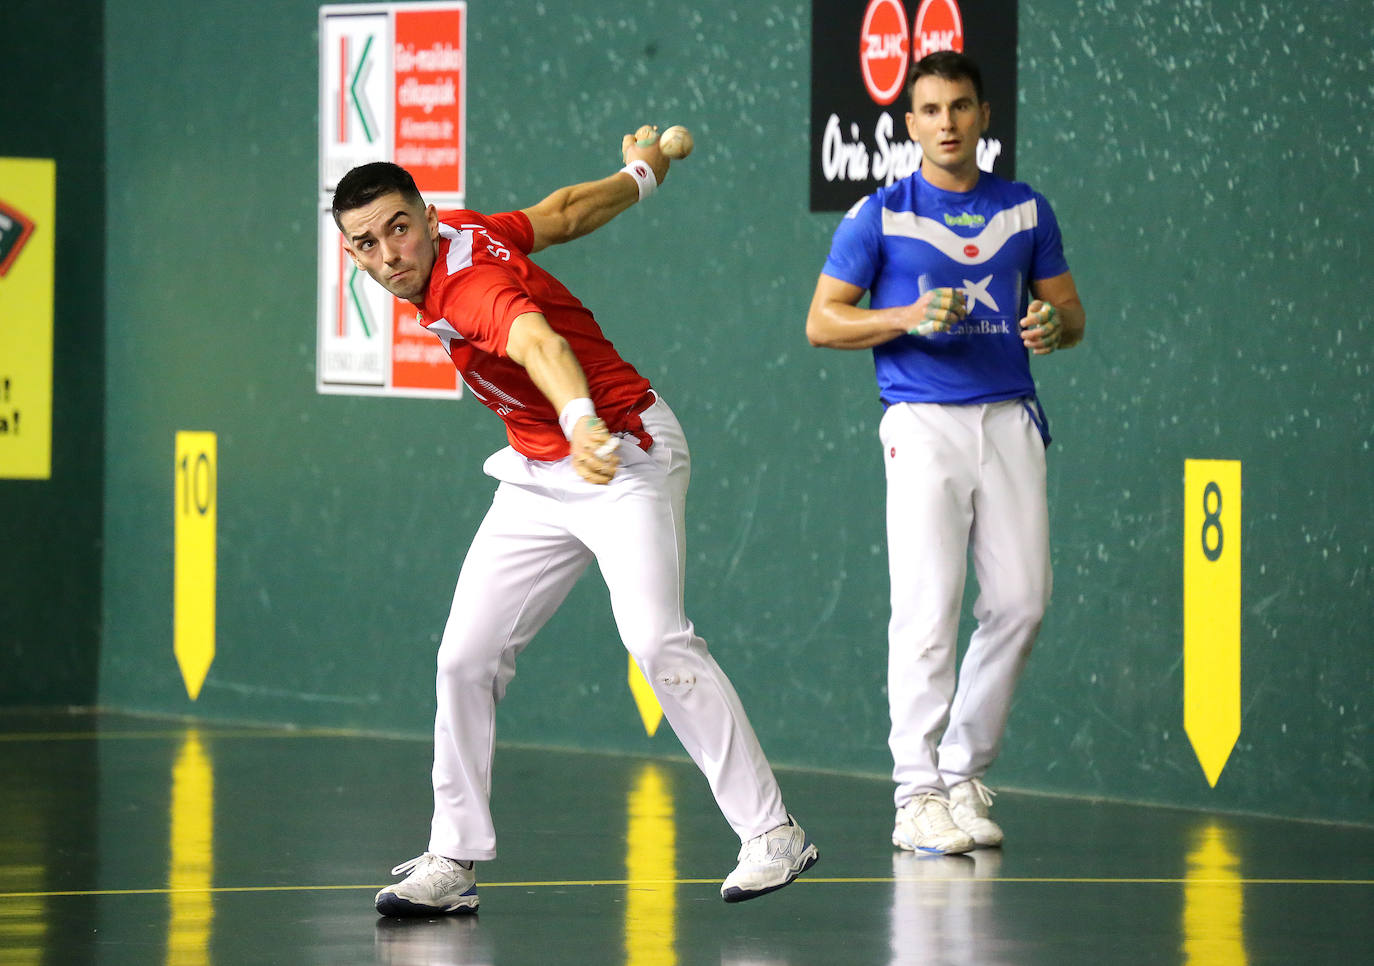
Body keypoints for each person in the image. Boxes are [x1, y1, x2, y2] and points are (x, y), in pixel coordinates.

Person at [331, 130, 817, 915]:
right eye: (366, 242)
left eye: (397, 228)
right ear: (352, 255)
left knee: (657, 638)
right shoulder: (458, 227)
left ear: (422, 215)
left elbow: (536, 340)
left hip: (623, 451)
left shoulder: (466, 287)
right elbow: (559, 214)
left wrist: (582, 416)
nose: (390, 252)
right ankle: (453, 860)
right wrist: (642, 174)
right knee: (464, 658)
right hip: (539, 471)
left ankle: (773, 832)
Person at [805, 52, 1086, 855]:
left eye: (961, 107)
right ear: (910, 125)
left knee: (1023, 602)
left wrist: (1052, 327)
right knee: (928, 610)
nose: (948, 123)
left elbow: (1070, 312)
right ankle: (915, 792)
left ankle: (961, 770)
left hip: (1009, 419)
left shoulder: (1027, 211)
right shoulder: (880, 215)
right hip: (922, 421)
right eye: (930, 110)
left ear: (984, 116)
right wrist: (905, 317)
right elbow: (824, 321)